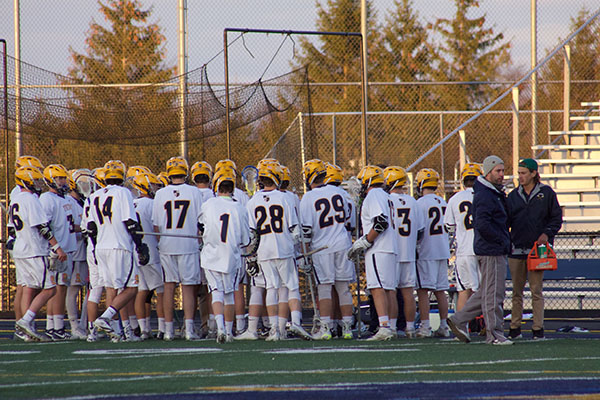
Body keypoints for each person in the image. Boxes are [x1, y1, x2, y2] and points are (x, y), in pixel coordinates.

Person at [448, 155, 513, 345]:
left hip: (488, 247)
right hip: (491, 249)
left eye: (502, 170)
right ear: (487, 172)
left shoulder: (490, 192)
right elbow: (483, 224)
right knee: (494, 293)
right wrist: (501, 240)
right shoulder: (486, 194)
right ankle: (494, 334)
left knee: (485, 291)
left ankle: (458, 320)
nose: (501, 174)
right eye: (497, 171)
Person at [246, 161, 312, 341]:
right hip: (284, 249)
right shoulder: (285, 198)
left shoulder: (253, 201)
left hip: (264, 251)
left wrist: (251, 256)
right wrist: (299, 248)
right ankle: (296, 323)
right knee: (291, 287)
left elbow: (251, 234)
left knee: (271, 288)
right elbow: (295, 229)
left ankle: (274, 329)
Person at [88, 160, 148, 342]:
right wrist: (140, 245)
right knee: (131, 288)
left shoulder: (96, 195)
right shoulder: (123, 193)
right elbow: (130, 222)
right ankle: (106, 318)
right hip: (120, 246)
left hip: (101, 247)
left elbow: (91, 228)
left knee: (112, 289)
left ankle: (116, 333)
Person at [507, 158, 562, 340]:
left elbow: (556, 218)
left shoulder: (546, 193)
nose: (520, 177)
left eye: (523, 173)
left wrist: (547, 234)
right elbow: (507, 220)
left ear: (533, 174)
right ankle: (515, 327)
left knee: (536, 290)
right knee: (516, 291)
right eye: (519, 173)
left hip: (537, 251)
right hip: (516, 249)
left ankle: (538, 328)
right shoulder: (513, 196)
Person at [11, 166, 67, 341]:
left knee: (28, 288)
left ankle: (24, 329)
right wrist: (57, 247)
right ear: (25, 181)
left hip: (21, 249)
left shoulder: (16, 199)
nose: (37, 184)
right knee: (50, 289)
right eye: (34, 180)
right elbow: (42, 226)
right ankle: (26, 321)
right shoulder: (30, 199)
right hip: (34, 250)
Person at [300, 159, 354, 340]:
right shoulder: (339, 192)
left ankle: (325, 328)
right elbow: (347, 219)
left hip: (322, 248)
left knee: (324, 288)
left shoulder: (308, 197)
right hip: (343, 244)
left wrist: (303, 255)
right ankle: (347, 328)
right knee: (343, 289)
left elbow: (306, 231)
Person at [152, 156, 204, 341]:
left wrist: (162, 242)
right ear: (186, 172)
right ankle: (189, 329)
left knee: (169, 287)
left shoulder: (160, 194)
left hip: (167, 245)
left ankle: (168, 331)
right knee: (188, 288)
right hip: (188, 244)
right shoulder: (194, 192)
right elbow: (201, 222)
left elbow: (156, 226)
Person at [199, 166, 250, 343]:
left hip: (211, 256)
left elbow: (201, 226)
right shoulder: (239, 208)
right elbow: (246, 239)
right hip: (231, 257)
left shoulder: (208, 205)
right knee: (229, 295)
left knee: (216, 293)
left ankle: (220, 328)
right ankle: (228, 332)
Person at [348, 165, 398, 341]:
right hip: (390, 248)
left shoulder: (374, 195)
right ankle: (390, 326)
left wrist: (366, 240)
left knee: (377, 288)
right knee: (389, 289)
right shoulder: (386, 196)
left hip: (379, 248)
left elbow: (380, 222)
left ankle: (384, 327)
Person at [39, 164, 78, 340]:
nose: (63, 181)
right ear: (50, 180)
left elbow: (69, 225)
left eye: (64, 178)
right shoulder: (47, 199)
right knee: (57, 289)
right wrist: (56, 247)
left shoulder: (65, 199)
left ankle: (54, 326)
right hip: (57, 250)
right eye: (59, 178)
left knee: (60, 288)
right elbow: (43, 226)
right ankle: (56, 327)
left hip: (67, 248)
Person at [384, 166, 422, 338]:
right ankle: (410, 328)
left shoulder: (386, 199)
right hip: (408, 251)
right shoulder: (413, 201)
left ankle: (391, 327)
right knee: (408, 293)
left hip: (392, 251)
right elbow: (420, 230)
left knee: (391, 291)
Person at [414, 168, 451, 338]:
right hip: (442, 250)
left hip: (427, 250)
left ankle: (425, 326)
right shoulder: (443, 202)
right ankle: (444, 325)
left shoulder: (420, 203)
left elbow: (419, 230)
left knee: (423, 290)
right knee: (440, 290)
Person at [444, 163, 483, 318]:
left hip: (465, 250)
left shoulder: (455, 198)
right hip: (483, 249)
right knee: (484, 291)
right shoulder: (485, 196)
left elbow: (449, 226)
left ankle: (461, 326)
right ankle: (489, 326)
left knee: (463, 290)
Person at [131, 172, 164, 340]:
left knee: (142, 291)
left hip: (136, 252)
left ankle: (143, 329)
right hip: (151, 250)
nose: (155, 188)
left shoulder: (131, 203)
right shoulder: (151, 204)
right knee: (161, 291)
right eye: (153, 185)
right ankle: (163, 328)